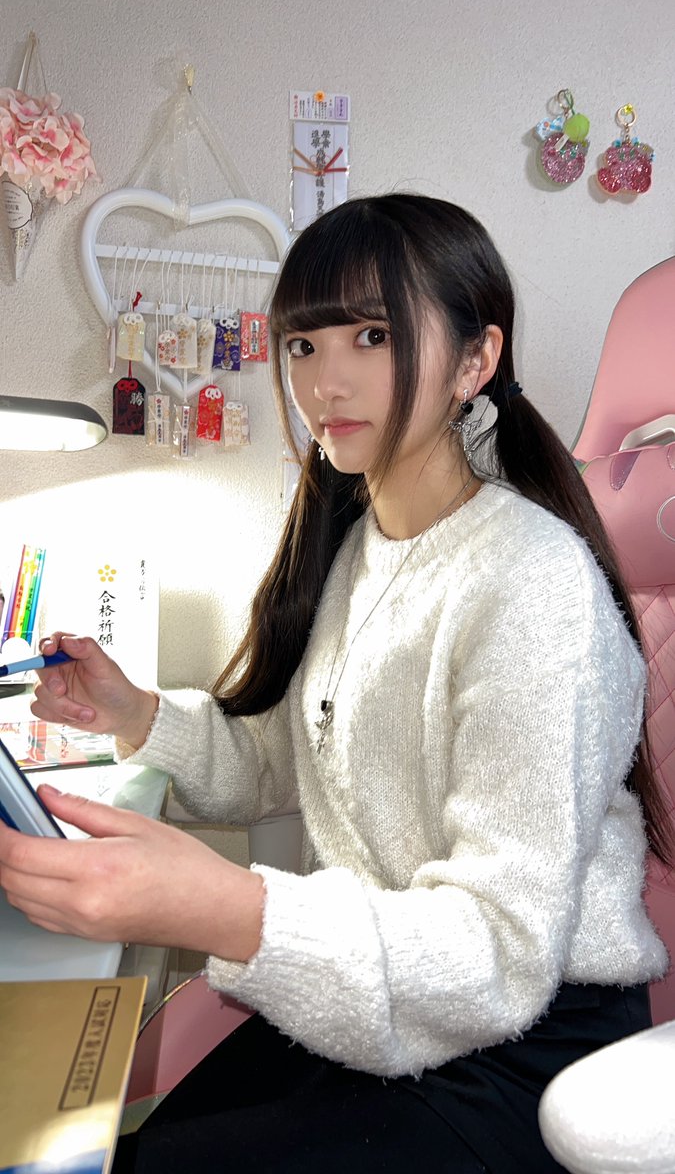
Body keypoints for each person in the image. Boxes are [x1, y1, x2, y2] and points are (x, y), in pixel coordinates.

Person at [0, 193, 670, 1173]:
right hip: (386, 991)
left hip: (521, 1042)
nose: (326, 379)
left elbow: (500, 950)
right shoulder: (365, 551)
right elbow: (282, 760)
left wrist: (222, 908)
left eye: (373, 336)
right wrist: (134, 713)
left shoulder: (532, 584)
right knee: (104, 1146)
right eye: (304, 346)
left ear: (475, 362)